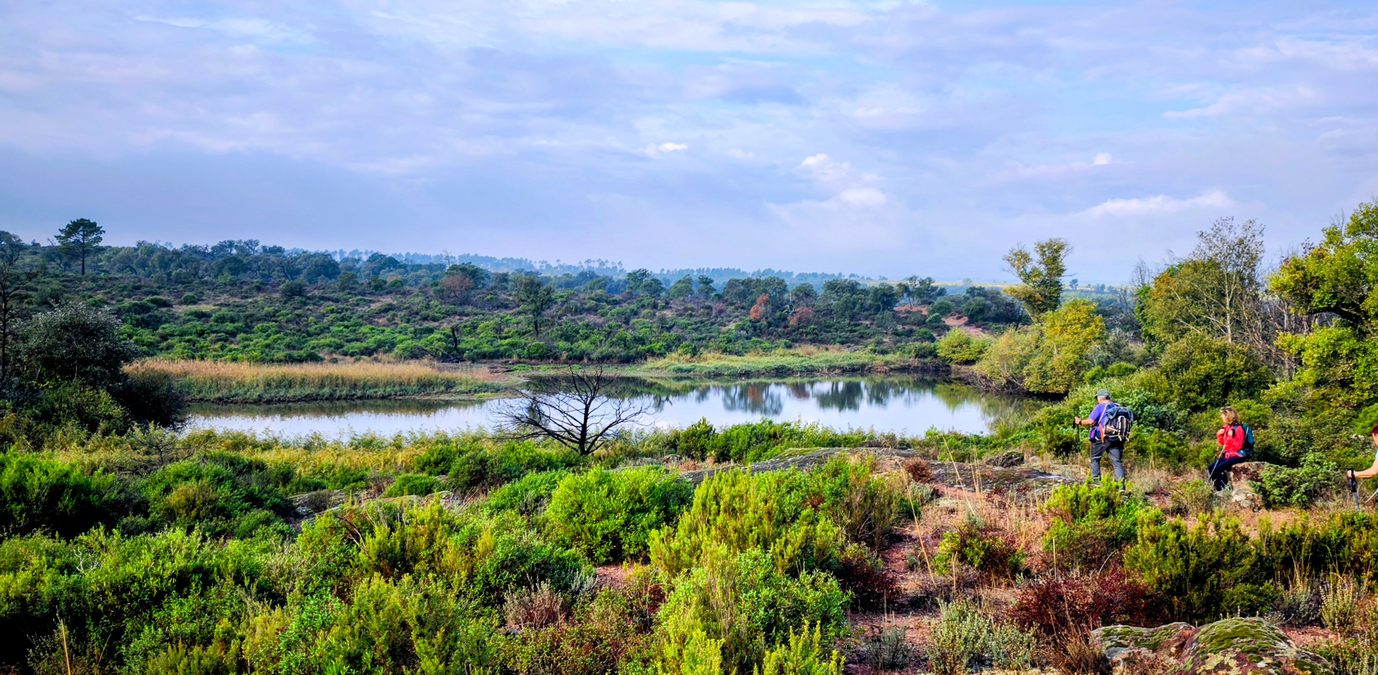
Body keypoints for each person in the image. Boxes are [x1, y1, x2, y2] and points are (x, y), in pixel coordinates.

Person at [1073, 389, 1124, 482]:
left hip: (1102, 437)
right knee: (1117, 462)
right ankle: (1121, 488)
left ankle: (1096, 483)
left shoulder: (1100, 407)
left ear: (1100, 398)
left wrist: (1079, 422)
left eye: (1097, 398)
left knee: (1095, 459)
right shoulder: (1117, 407)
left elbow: (1090, 421)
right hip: (1117, 437)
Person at [1209, 406, 1250, 491]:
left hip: (1238, 455)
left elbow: (1238, 446)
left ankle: (1222, 490)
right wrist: (1219, 435)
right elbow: (1223, 443)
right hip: (1229, 455)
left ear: (1228, 416)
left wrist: (1231, 437)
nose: (1221, 417)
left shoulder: (1238, 428)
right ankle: (1220, 488)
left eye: (1223, 415)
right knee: (1211, 467)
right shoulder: (1227, 427)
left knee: (1217, 469)